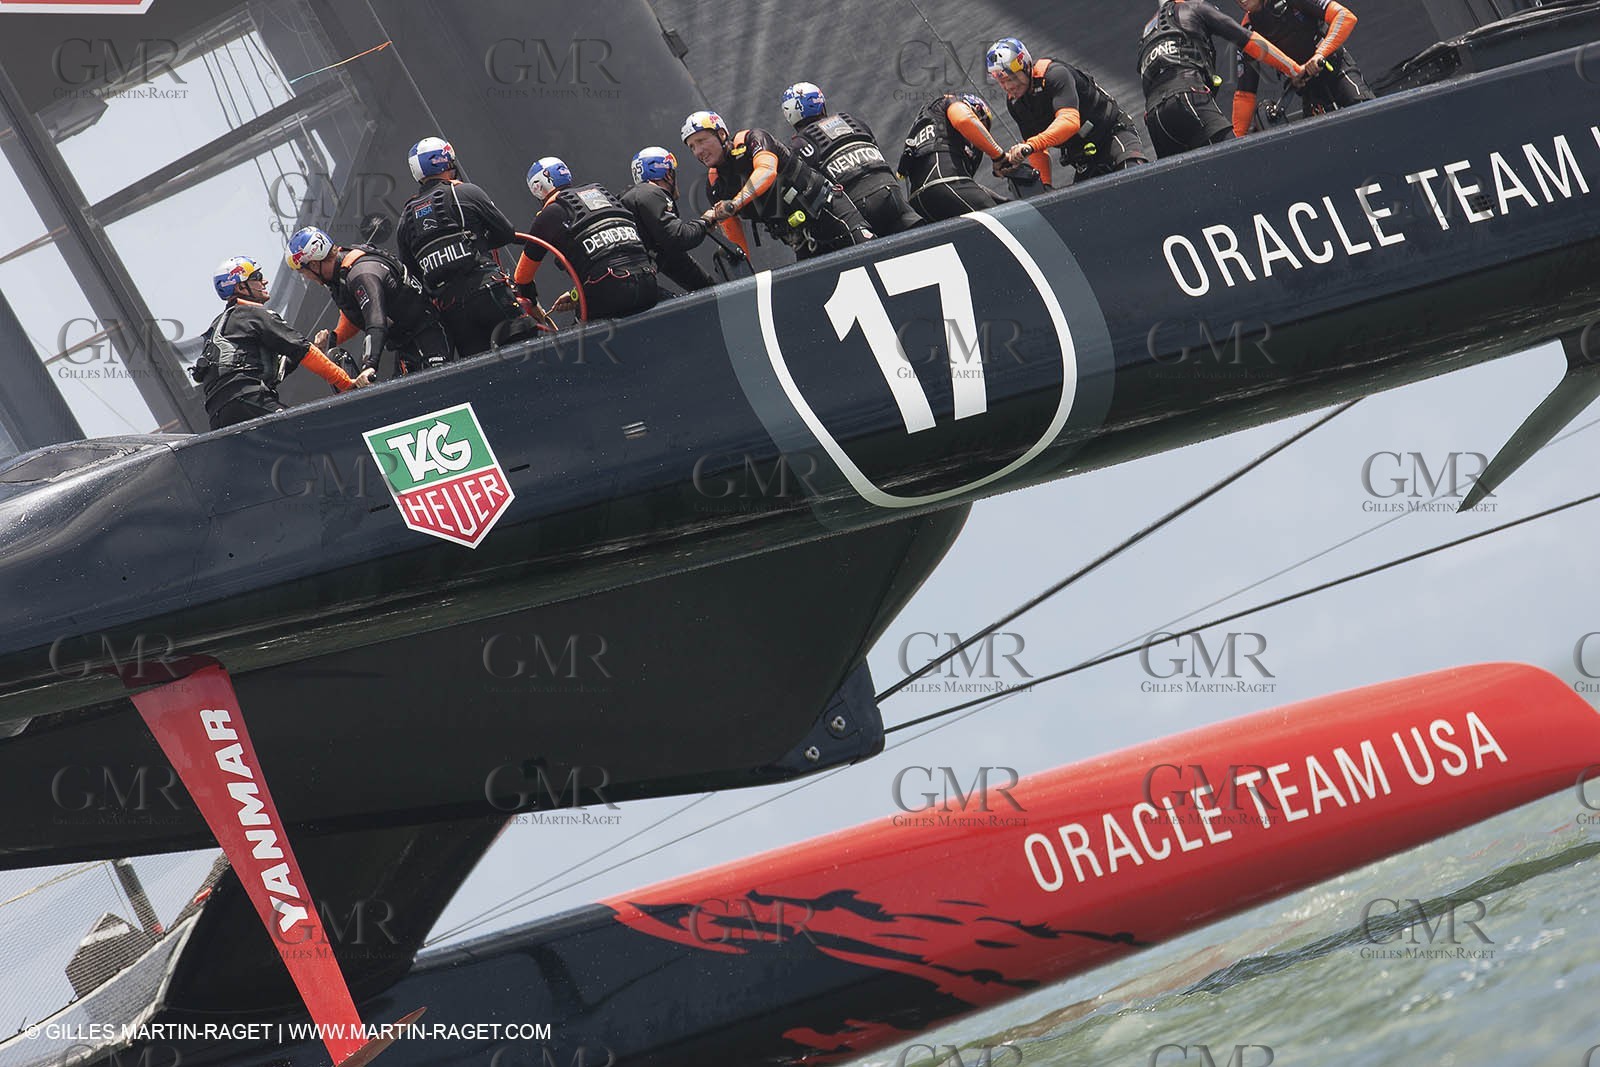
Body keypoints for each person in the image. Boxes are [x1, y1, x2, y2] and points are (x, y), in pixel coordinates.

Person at [395, 136, 537, 356]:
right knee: (528, 350)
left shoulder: (405, 219)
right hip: (488, 291)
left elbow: (411, 275)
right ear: (446, 161)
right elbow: (506, 232)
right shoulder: (466, 192)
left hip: (451, 309)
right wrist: (477, 244)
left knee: (479, 368)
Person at [190, 255, 364, 430]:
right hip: (248, 400)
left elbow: (274, 368)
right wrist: (347, 383)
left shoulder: (220, 324)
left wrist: (315, 349)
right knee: (306, 433)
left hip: (218, 416)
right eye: (257, 277)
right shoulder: (252, 314)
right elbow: (303, 351)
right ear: (241, 287)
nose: (264, 281)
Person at [681, 109, 874, 262]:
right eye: (692, 147)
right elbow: (736, 240)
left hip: (830, 211)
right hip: (802, 239)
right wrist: (740, 270)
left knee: (873, 254)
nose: (698, 151)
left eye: (701, 141)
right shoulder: (715, 185)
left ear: (722, 134)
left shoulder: (752, 140)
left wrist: (734, 203)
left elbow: (766, 171)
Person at [1135, 0, 1302, 158]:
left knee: (1184, 176)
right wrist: (1294, 70)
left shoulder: (1148, 30)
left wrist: (1238, 136)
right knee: (1236, 159)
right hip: (1186, 96)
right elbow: (1249, 41)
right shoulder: (1195, 7)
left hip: (1154, 116)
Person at [284, 226, 453, 380]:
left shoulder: (361, 274)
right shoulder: (342, 274)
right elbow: (354, 316)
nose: (306, 277)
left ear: (314, 264)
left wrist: (369, 366)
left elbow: (376, 320)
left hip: (428, 337)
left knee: (434, 390)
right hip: (406, 344)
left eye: (303, 272)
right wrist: (333, 338)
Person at [984, 38, 1148, 188]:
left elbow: (1069, 121)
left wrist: (1031, 145)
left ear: (1026, 66)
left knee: (1135, 180)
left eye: (1011, 78)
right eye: (1001, 82)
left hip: (1112, 136)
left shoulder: (1055, 75)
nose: (1008, 87)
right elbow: (1037, 152)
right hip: (1084, 157)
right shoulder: (1015, 103)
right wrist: (1045, 186)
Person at [512, 156, 660, 320]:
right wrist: (575, 294)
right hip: (648, 282)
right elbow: (613, 255)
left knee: (578, 335)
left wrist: (535, 309)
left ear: (537, 188)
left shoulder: (549, 214)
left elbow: (522, 277)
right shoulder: (602, 194)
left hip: (607, 293)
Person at [782, 82, 921, 236]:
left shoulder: (798, 145)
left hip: (858, 209)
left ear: (789, 115)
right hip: (893, 192)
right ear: (821, 104)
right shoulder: (854, 122)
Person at [1232, 0, 1370, 138]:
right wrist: (1235, 142)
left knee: (1366, 113)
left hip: (1336, 69)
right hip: (1308, 88)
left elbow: (1345, 16)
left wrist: (1320, 54)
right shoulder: (1247, 30)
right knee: (1322, 140)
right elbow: (1245, 93)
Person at [899, 92, 1011, 221]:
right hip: (945, 182)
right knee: (1003, 221)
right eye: (982, 126)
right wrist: (999, 157)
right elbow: (964, 120)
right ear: (976, 110)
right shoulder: (948, 102)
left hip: (918, 202)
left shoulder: (922, 127)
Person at [619, 146, 716, 294]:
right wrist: (706, 221)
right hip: (630, 283)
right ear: (667, 173)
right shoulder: (651, 193)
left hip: (622, 281)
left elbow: (675, 260)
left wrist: (710, 289)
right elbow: (679, 237)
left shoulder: (633, 199)